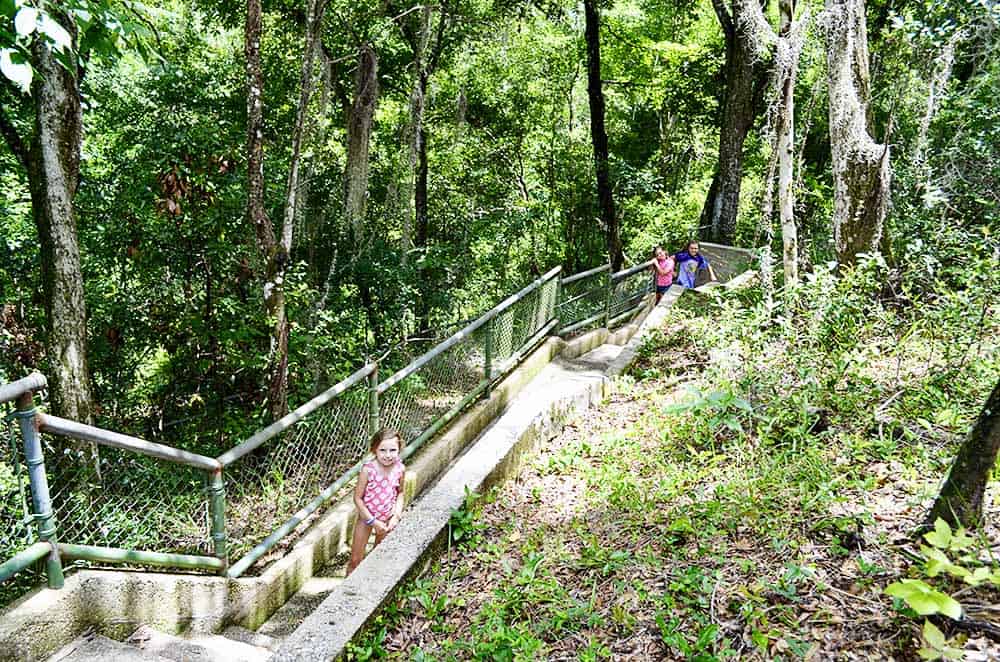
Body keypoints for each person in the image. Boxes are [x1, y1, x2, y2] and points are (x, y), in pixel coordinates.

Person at [348, 428, 406, 574]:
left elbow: (400, 493)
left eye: (393, 450)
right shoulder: (368, 470)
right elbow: (357, 498)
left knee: (377, 557)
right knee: (355, 560)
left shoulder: (400, 468)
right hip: (367, 518)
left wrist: (396, 516)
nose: (388, 455)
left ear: (399, 449)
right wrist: (372, 521)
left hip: (387, 519)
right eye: (383, 450)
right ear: (374, 450)